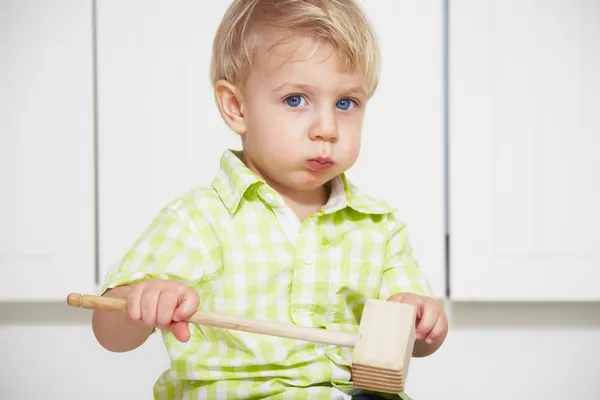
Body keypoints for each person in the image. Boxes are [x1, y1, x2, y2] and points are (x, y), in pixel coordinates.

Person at [92, 1, 448, 399]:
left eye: (345, 103)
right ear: (237, 107)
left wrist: (423, 319)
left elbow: (419, 343)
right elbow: (110, 334)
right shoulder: (198, 219)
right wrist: (143, 300)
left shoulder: (379, 227)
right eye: (296, 100)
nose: (327, 129)